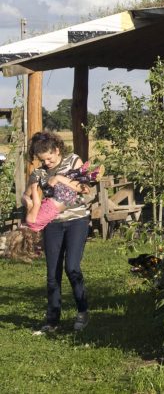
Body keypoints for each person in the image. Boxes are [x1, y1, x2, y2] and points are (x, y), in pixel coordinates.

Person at [22, 131, 94, 334]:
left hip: (76, 221)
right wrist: (28, 202)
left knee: (72, 267)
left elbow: (85, 189)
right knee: (52, 274)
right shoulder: (38, 173)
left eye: (49, 158)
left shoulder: (73, 161)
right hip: (52, 224)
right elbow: (26, 196)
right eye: (42, 160)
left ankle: (82, 311)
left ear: (57, 149)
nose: (47, 163)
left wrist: (60, 178)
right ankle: (52, 321)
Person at [25, 160, 102, 232]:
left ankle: (90, 176)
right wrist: (33, 187)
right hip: (60, 197)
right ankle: (82, 172)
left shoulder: (38, 228)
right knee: (61, 180)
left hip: (68, 201)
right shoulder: (30, 221)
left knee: (69, 182)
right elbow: (37, 204)